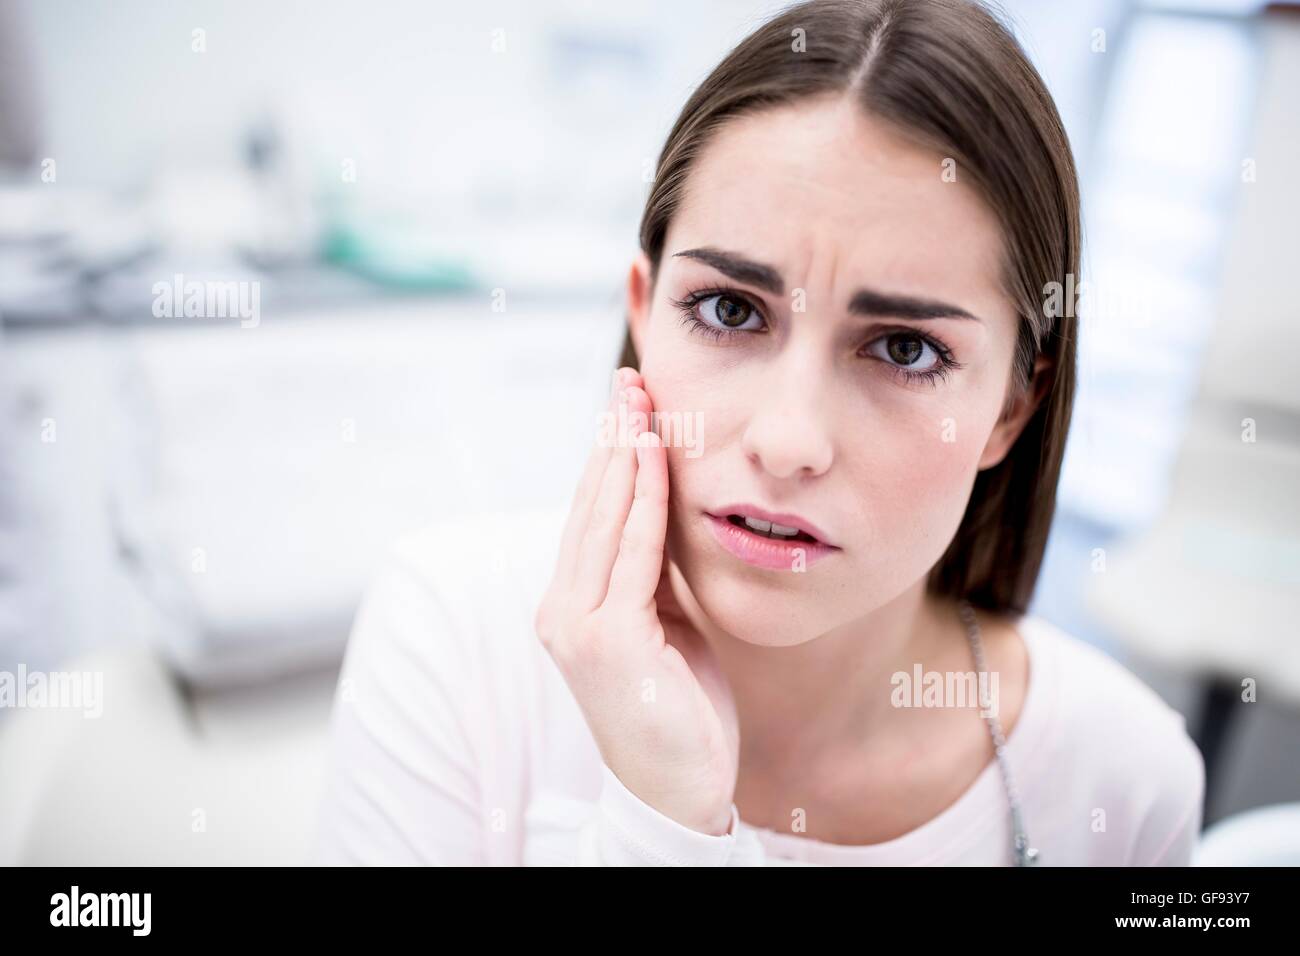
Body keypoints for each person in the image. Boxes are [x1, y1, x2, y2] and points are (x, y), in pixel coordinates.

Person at [313, 0, 1205, 866]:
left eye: (903, 349)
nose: (787, 440)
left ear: (1012, 408)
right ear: (643, 310)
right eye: (731, 309)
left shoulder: (1125, 780)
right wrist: (662, 817)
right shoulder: (451, 639)